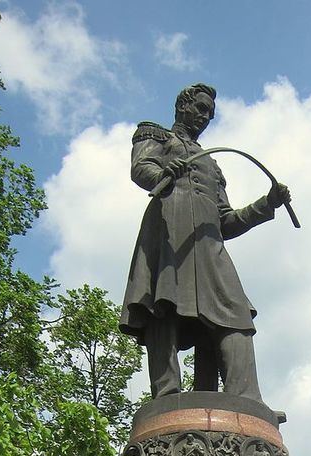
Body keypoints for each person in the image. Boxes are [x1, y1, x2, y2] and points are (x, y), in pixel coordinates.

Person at [119, 83, 290, 403]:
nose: (205, 116)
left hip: (209, 249)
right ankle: (168, 398)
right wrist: (162, 174)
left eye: (210, 113)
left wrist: (267, 204)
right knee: (164, 309)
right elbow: (140, 168)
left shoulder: (212, 164)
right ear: (182, 106)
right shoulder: (154, 135)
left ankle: (245, 400)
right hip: (169, 234)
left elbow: (227, 220)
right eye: (200, 108)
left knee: (236, 313)